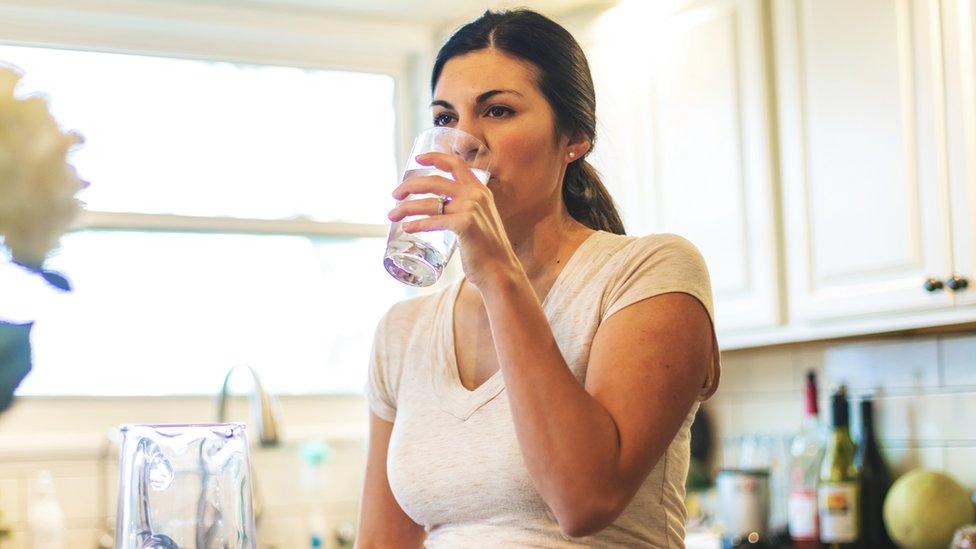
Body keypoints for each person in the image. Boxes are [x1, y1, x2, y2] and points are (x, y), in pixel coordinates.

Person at [357, 9, 720, 548]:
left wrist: (498, 273)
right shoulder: (403, 331)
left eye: (498, 110)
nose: (465, 143)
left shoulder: (648, 272)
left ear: (573, 136)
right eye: (445, 118)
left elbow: (584, 500)